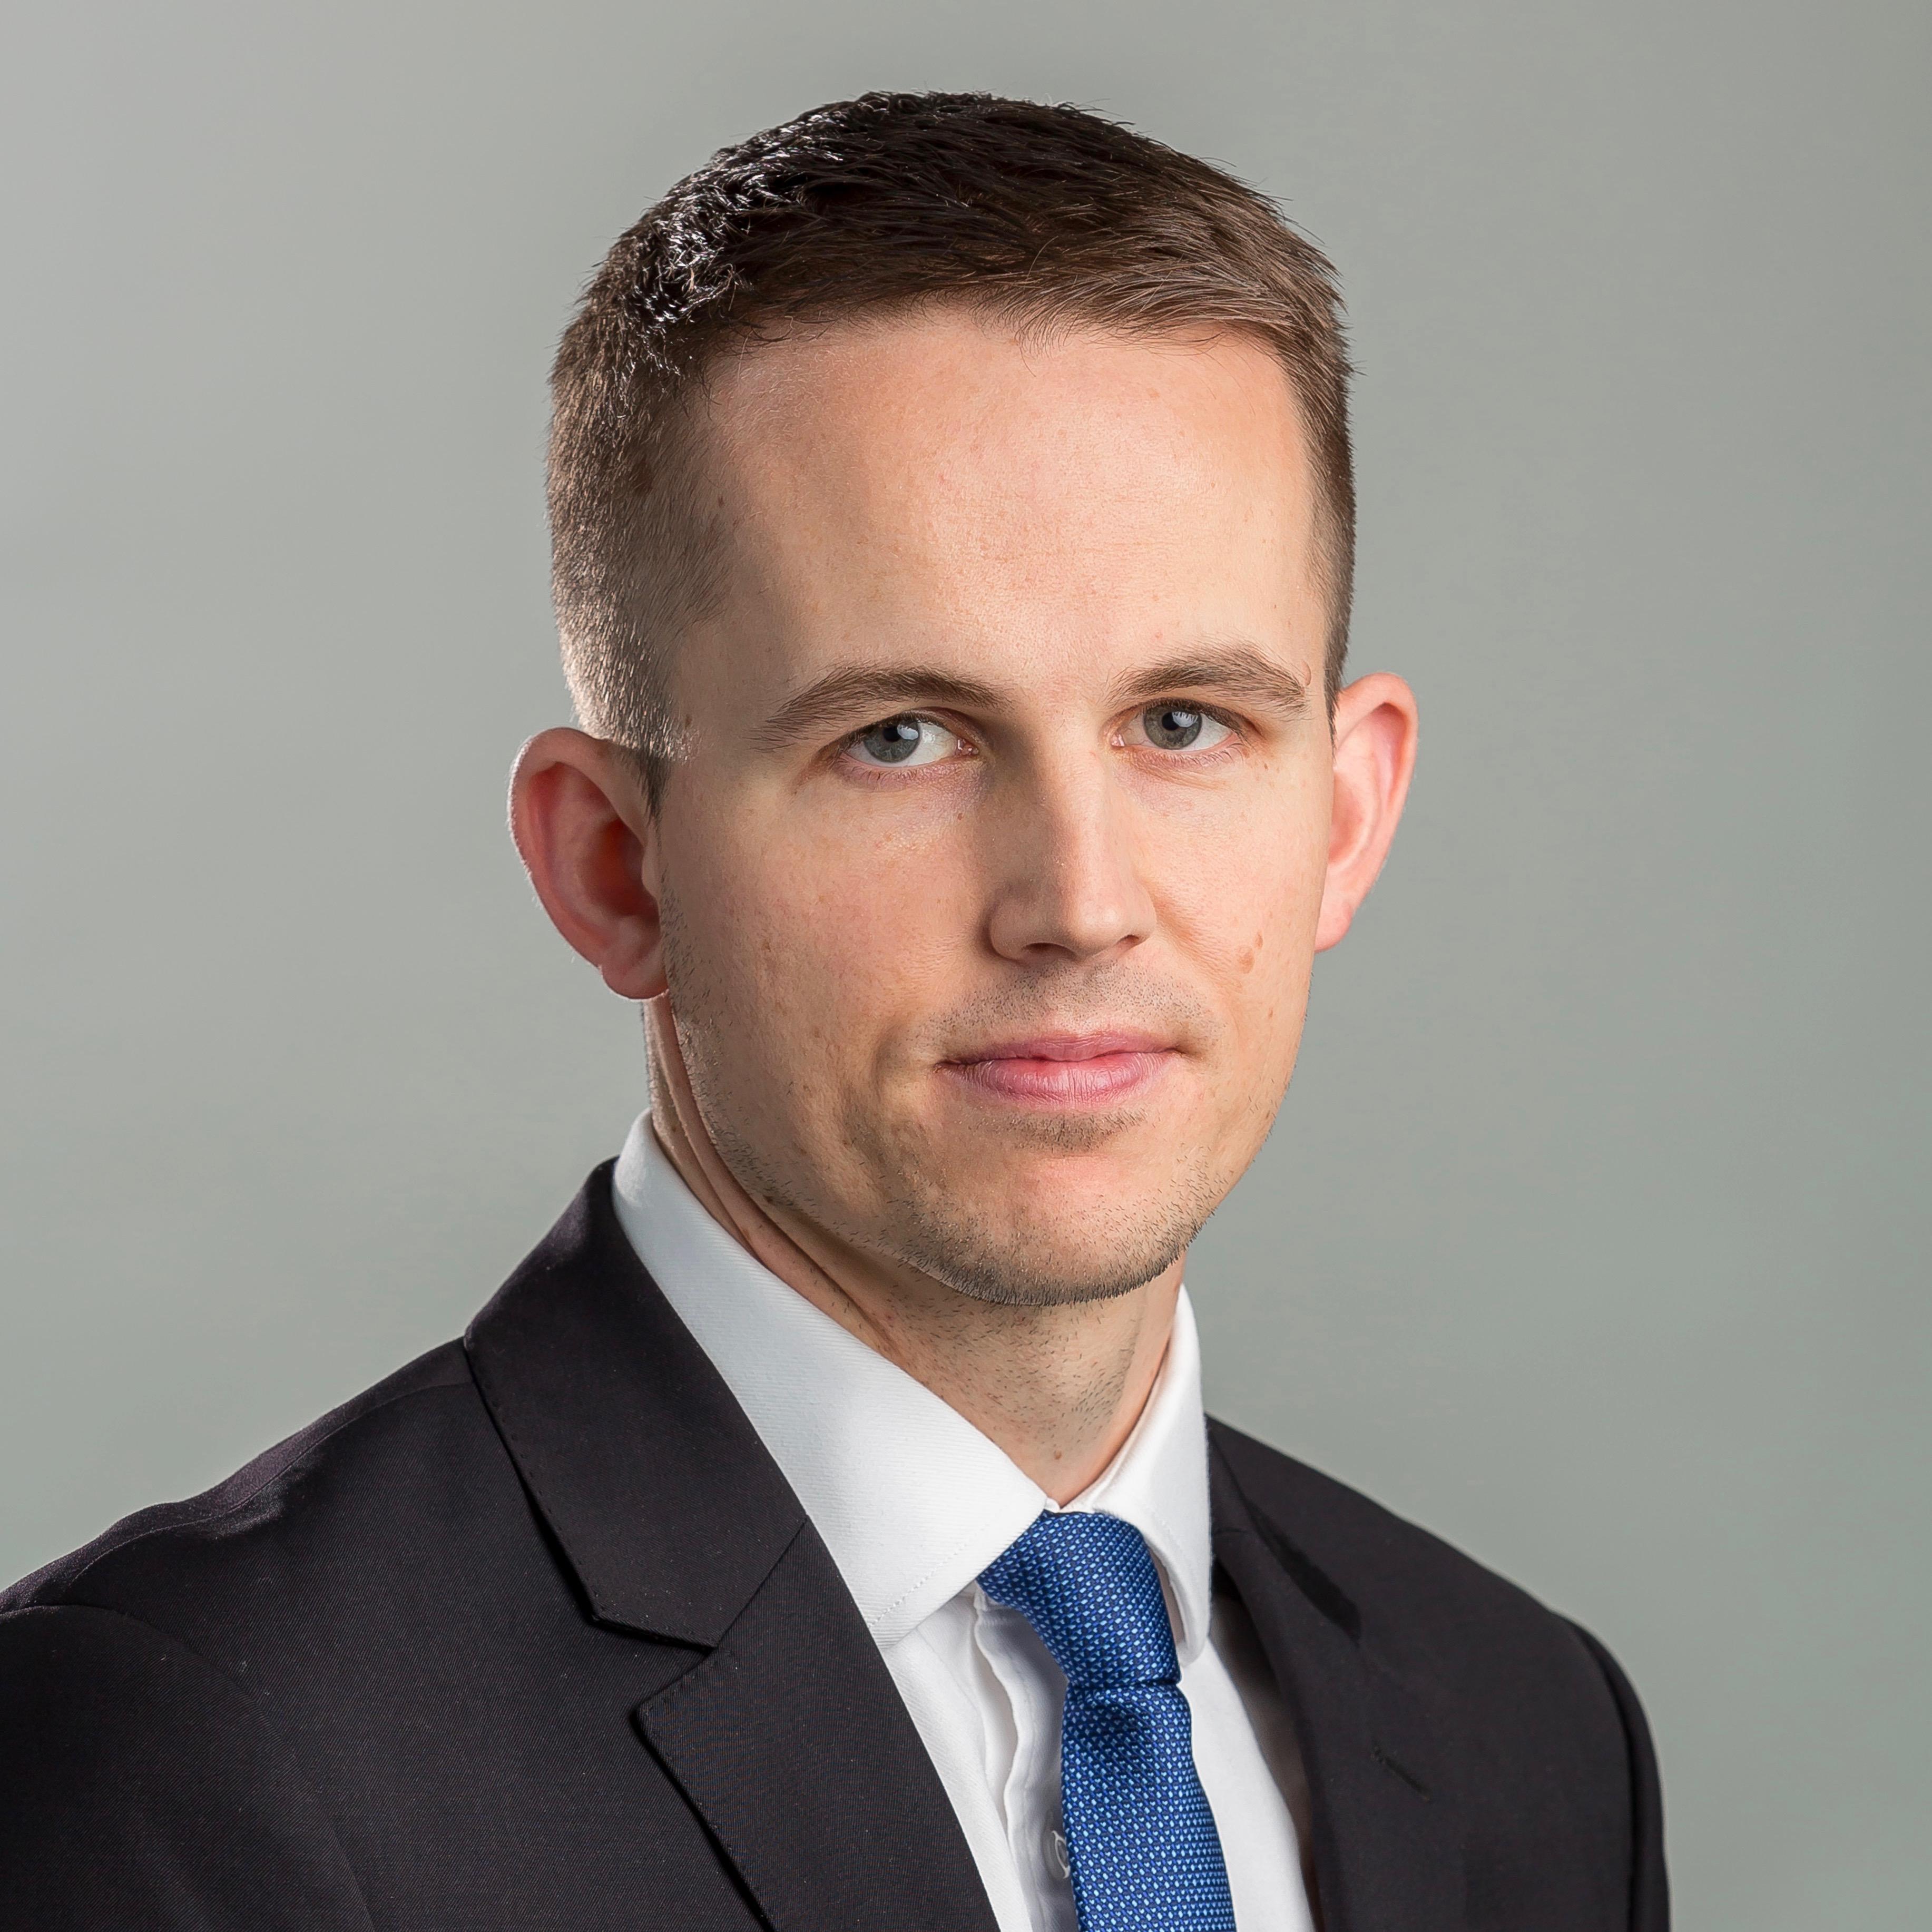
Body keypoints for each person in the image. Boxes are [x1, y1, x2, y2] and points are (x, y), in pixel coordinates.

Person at [0, 91, 1666, 1932]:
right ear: (616, 866)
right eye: (902, 738)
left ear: (1344, 816)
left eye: (1184, 722)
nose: (1078, 902)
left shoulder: (1527, 1732)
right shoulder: (189, 1758)